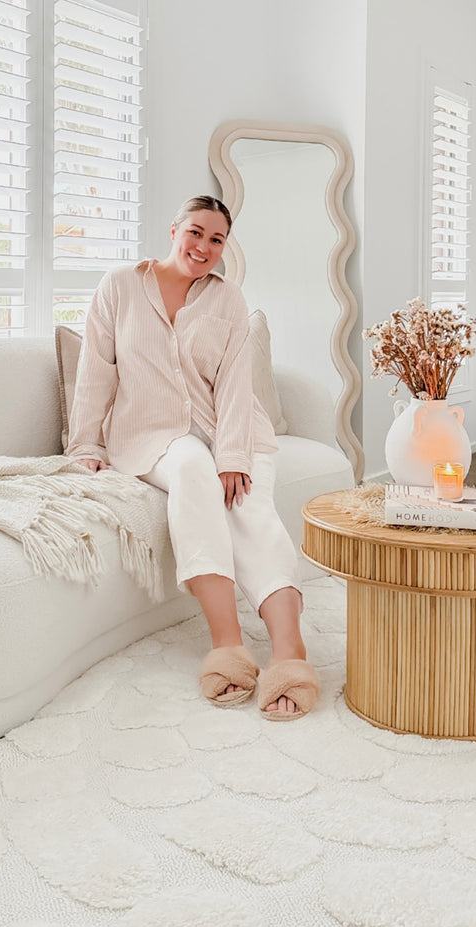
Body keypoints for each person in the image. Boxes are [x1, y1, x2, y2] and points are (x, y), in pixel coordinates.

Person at [66, 195, 319, 720]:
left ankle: (289, 651)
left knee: (251, 508)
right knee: (190, 468)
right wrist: (85, 444)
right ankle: (227, 642)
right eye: (196, 232)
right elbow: (96, 370)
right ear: (174, 229)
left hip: (234, 430)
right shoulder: (119, 285)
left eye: (217, 239)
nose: (204, 246)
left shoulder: (228, 298)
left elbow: (235, 383)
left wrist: (233, 455)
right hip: (151, 434)